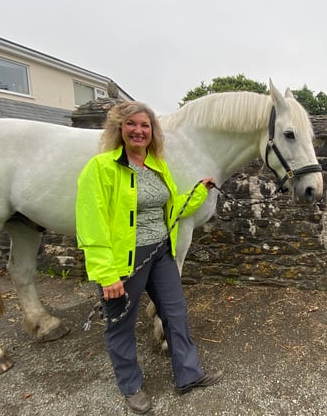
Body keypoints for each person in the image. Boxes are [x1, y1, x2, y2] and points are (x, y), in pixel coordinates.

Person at [76, 101, 222, 414]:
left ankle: (188, 373)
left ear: (152, 131)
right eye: (132, 124)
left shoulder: (157, 165)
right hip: (124, 260)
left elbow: (171, 207)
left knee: (175, 313)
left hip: (160, 253)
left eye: (145, 125)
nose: (139, 130)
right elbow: (91, 223)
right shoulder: (101, 168)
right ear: (119, 128)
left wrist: (199, 191)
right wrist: (106, 273)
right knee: (120, 324)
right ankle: (130, 386)